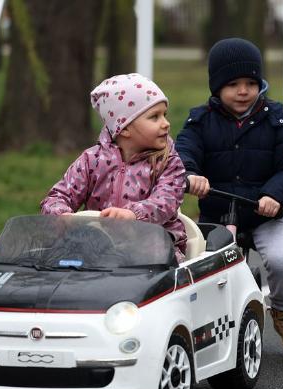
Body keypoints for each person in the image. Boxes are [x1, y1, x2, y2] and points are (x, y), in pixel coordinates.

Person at [176, 38, 283, 353]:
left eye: (250, 83)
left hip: (265, 214)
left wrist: (275, 195)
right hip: (217, 214)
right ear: (216, 87)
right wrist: (190, 175)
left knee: (282, 260)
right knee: (203, 269)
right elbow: (181, 155)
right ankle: (204, 323)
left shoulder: (275, 120)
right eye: (233, 84)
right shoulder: (200, 121)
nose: (243, 91)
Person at [41, 73, 187, 263]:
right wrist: (60, 214)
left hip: (153, 246)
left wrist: (134, 214)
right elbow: (59, 195)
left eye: (164, 115)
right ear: (124, 128)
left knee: (154, 251)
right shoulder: (91, 160)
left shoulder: (168, 162)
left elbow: (166, 200)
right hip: (99, 246)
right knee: (60, 253)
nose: (166, 123)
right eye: (154, 117)